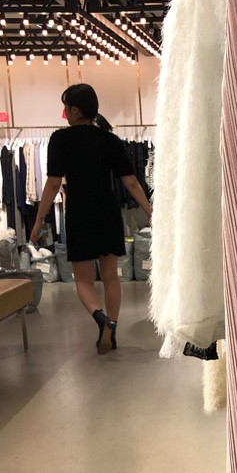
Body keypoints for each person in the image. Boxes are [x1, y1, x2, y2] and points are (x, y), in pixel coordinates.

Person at [30, 84, 152, 353]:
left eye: (66, 108)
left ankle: (100, 317)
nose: (65, 113)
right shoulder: (110, 140)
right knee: (111, 277)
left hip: (80, 214)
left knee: (83, 280)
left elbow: (53, 184)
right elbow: (131, 182)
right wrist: (149, 211)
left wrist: (39, 219)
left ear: (75, 110)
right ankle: (113, 327)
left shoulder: (60, 140)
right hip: (108, 212)